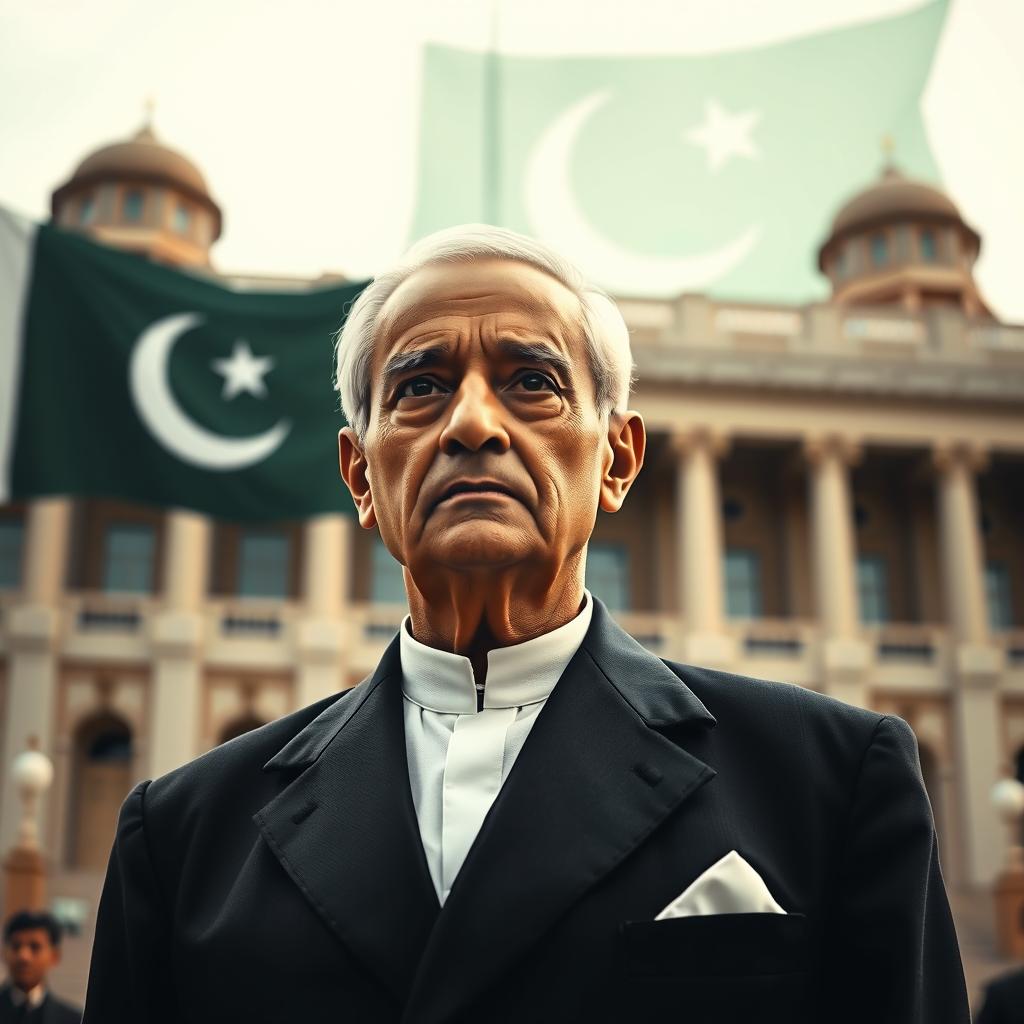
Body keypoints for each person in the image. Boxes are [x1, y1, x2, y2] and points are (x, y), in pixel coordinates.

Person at [83, 225, 970, 1023]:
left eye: (533, 382)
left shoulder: (826, 783)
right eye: (421, 385)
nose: (472, 422)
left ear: (618, 458)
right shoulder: (186, 835)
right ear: (360, 476)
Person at [1, 911, 81, 1023]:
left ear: (54, 956)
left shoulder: (74, 1020)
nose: (23, 956)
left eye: (35, 947)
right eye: (16, 946)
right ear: (4, 953)